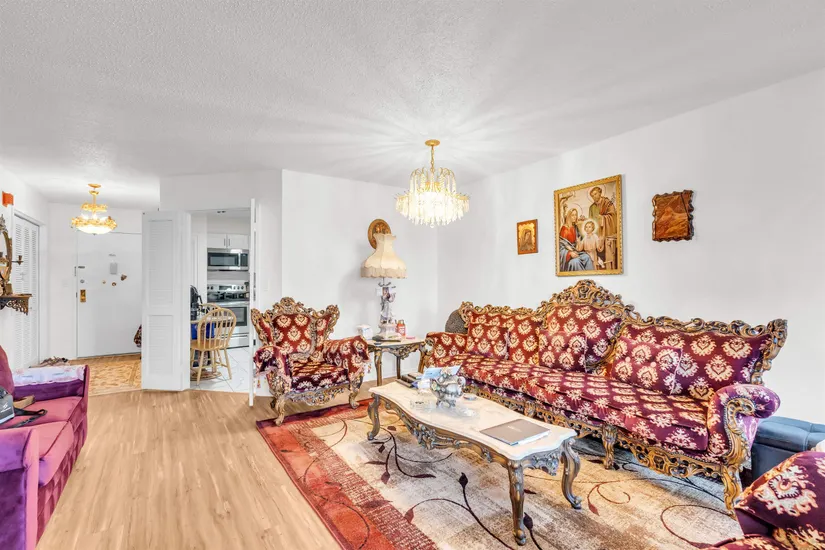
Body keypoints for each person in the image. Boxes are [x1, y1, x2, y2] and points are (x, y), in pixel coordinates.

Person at [588, 186, 618, 270]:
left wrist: (602, 218)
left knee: (608, 253)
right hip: (597, 233)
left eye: (595, 194)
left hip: (607, 232)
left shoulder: (608, 203)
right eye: (592, 196)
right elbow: (590, 221)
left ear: (600, 193)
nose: (594, 197)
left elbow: (613, 216)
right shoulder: (591, 207)